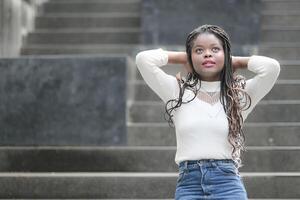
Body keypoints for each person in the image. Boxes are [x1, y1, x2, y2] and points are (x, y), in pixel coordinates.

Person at [135, 24, 280, 199]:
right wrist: (182, 57)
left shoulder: (239, 95)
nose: (207, 54)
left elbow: (271, 68)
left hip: (228, 185)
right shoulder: (177, 92)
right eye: (199, 50)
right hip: (189, 185)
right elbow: (144, 60)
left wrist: (235, 61)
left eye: (215, 49)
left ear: (225, 54)